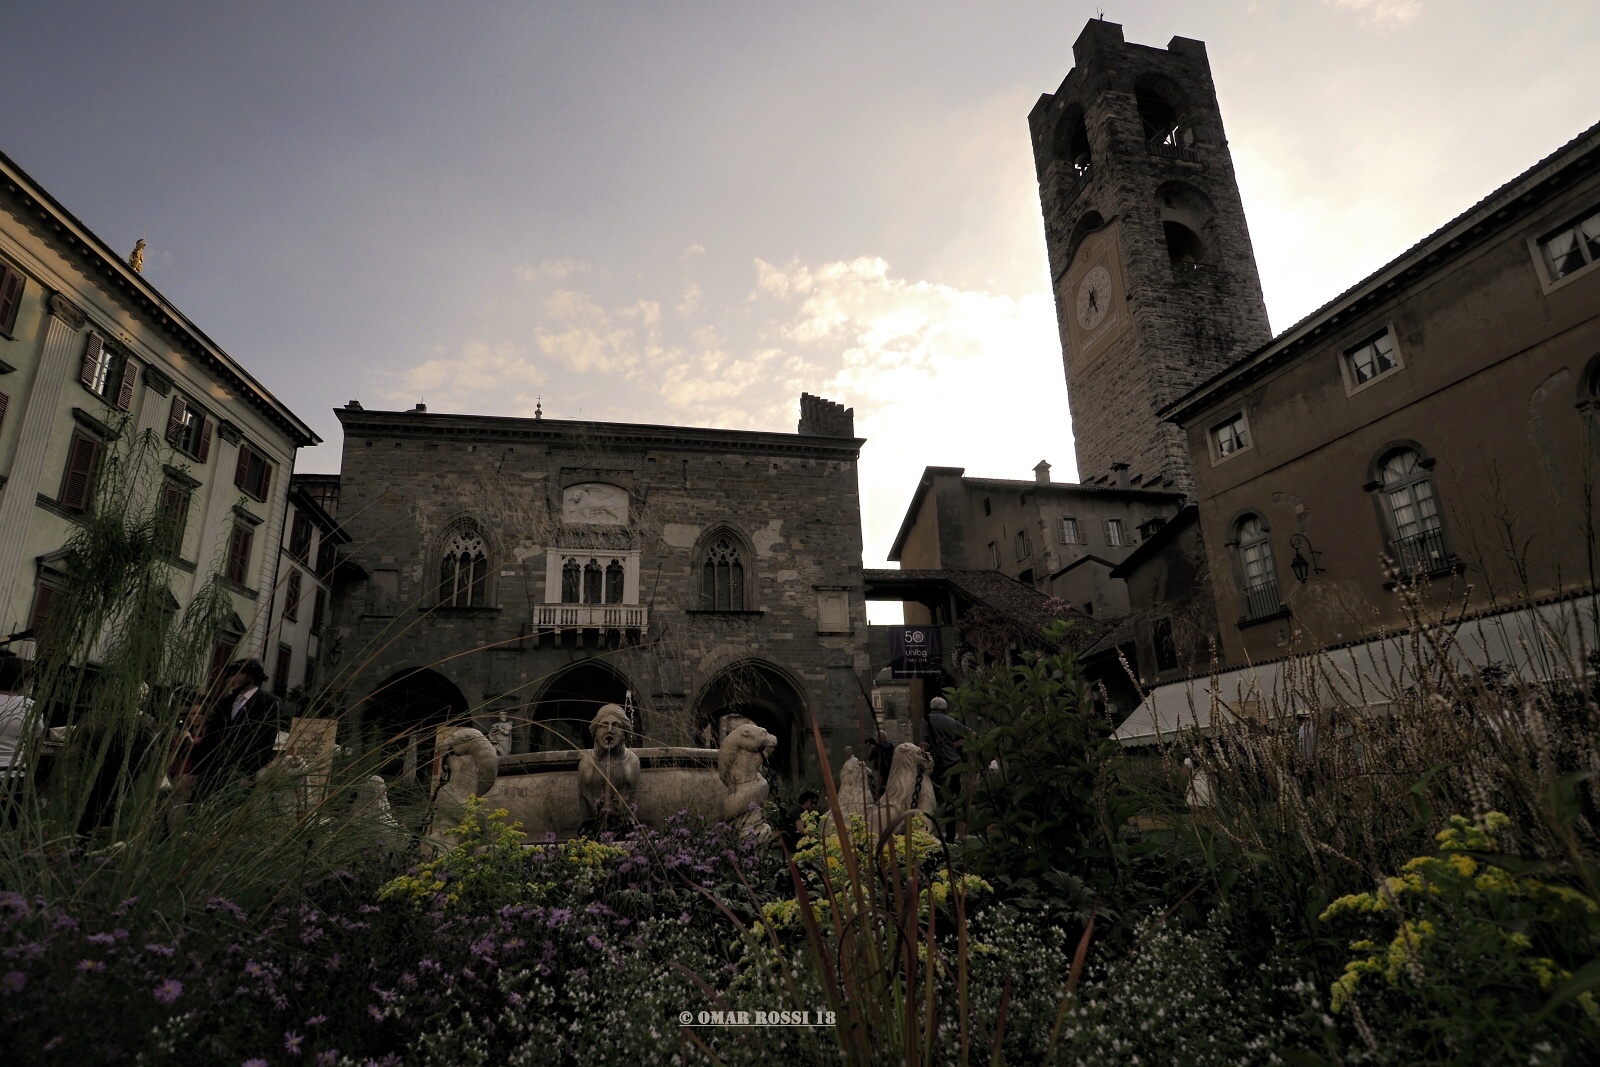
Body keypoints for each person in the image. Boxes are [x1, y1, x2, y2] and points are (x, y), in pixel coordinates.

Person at [189, 660, 284, 802]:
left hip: (240, 776)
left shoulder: (269, 702)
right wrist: (196, 770)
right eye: (229, 675)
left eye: (235, 674)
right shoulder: (226, 702)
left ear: (250, 676)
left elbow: (265, 742)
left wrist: (248, 775)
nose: (230, 679)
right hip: (211, 773)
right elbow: (211, 738)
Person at [0, 654, 39, 826]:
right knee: (8, 826)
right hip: (13, 777)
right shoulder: (28, 706)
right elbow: (35, 741)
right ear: (24, 682)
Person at [922, 696, 974, 802]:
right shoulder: (951, 721)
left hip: (937, 764)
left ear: (931, 707)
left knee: (937, 795)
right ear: (945, 708)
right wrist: (956, 744)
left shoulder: (926, 719)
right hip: (955, 763)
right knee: (954, 794)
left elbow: (923, 744)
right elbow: (972, 734)